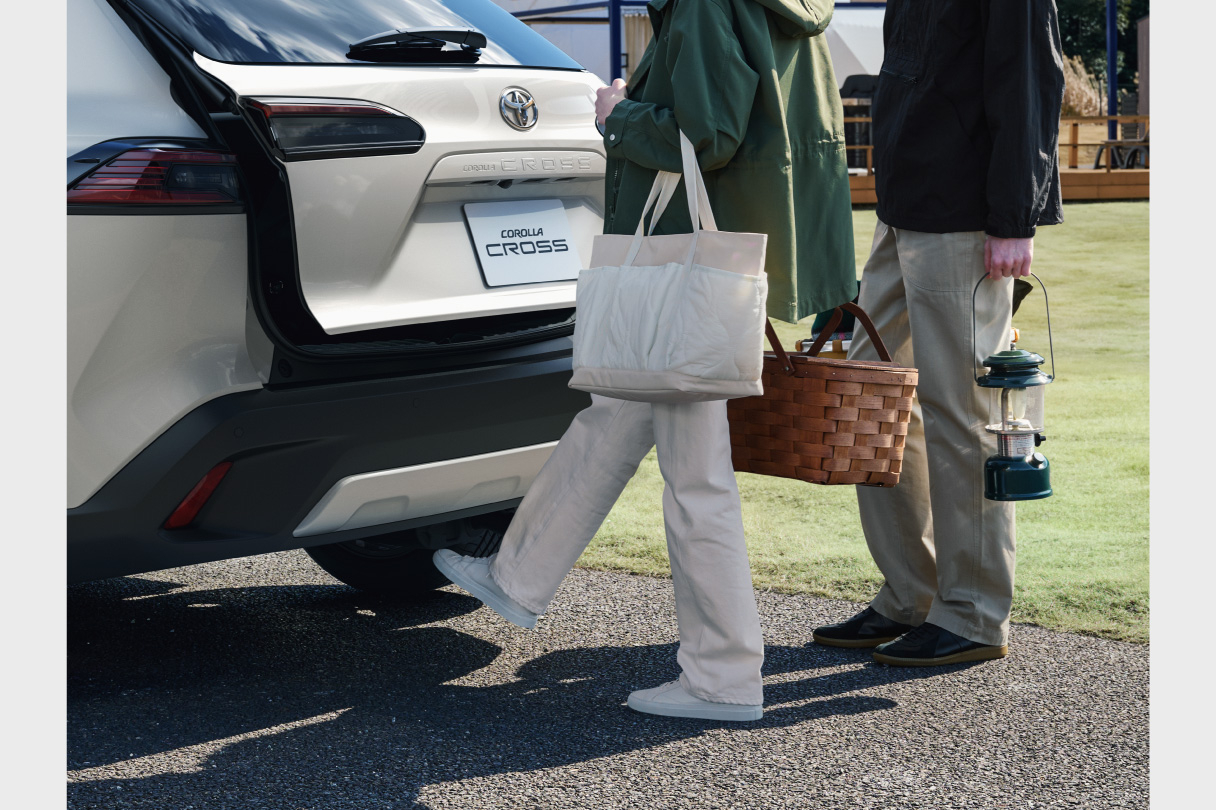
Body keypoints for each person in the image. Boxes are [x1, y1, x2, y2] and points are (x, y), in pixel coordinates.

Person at [435, 0, 856, 721]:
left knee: (695, 478)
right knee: (615, 413)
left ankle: (721, 676)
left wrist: (618, 114)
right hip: (715, 262)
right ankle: (517, 574)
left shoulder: (702, 5)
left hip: (687, 270)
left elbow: (709, 135)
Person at [811, 0, 1065, 665]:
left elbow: (1028, 79)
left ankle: (974, 613)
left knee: (964, 413)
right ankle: (911, 593)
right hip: (901, 208)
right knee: (868, 394)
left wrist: (1014, 218)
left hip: (966, 215)